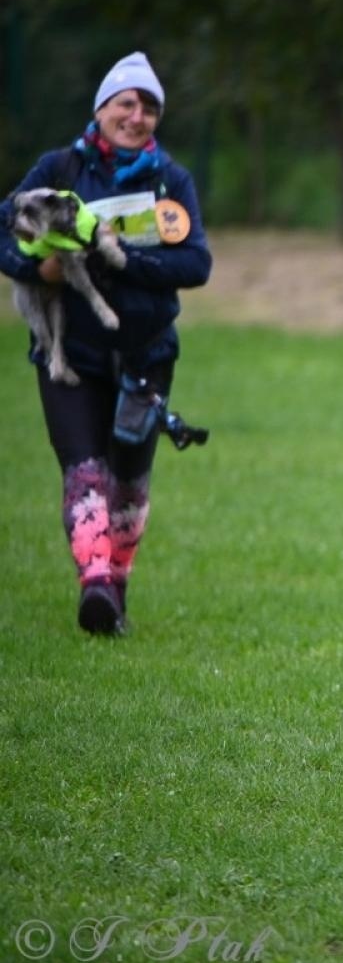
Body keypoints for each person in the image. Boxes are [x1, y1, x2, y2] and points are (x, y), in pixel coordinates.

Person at [0, 51, 211, 636]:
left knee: (128, 482)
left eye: (149, 108)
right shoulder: (60, 168)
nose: (137, 116)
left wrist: (122, 260)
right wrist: (34, 267)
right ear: (101, 109)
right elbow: (3, 229)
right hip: (71, 354)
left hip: (147, 355)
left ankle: (114, 587)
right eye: (126, 103)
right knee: (84, 470)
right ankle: (94, 582)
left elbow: (197, 265)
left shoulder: (171, 181)